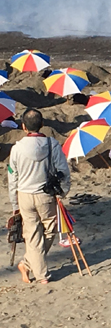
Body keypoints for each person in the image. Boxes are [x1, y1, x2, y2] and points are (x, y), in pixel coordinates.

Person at [7, 108, 70, 284]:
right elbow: (63, 171)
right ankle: (42, 275)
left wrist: (14, 204)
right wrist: (64, 191)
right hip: (46, 195)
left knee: (34, 234)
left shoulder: (16, 149)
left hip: (24, 195)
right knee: (50, 230)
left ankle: (28, 263)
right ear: (42, 125)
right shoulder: (52, 145)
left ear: (23, 127)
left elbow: (12, 178)